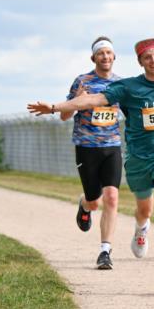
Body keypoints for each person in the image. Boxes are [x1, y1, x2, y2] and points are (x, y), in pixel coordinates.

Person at [28, 38, 154, 291]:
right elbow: (90, 101)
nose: (153, 61)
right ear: (140, 62)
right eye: (148, 57)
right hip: (136, 158)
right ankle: (140, 227)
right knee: (142, 209)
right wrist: (54, 107)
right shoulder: (127, 87)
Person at [58, 36, 123, 270]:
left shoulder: (121, 84)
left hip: (112, 146)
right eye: (101, 53)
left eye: (109, 53)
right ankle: (84, 205)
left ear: (114, 57)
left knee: (112, 197)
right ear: (93, 57)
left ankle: (105, 251)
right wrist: (77, 100)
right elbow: (64, 115)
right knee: (94, 201)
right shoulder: (82, 81)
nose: (105, 57)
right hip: (87, 148)